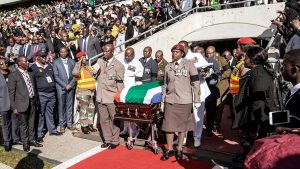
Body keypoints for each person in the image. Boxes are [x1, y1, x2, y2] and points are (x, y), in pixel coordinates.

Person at [233, 47, 276, 162]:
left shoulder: (259, 75)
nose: (244, 60)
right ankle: (246, 157)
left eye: (245, 58)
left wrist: (254, 125)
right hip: (253, 115)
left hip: (257, 118)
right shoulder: (257, 72)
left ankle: (250, 161)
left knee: (253, 143)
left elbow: (258, 102)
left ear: (252, 60)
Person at [161, 44, 201, 161]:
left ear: (182, 53)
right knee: (169, 126)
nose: (174, 54)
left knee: (182, 127)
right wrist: (163, 99)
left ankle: (179, 149)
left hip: (185, 100)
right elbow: (165, 84)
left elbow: (196, 83)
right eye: (173, 52)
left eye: (177, 52)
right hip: (170, 100)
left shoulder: (189, 64)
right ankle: (169, 149)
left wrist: (196, 99)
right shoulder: (168, 66)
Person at [92, 44, 125, 149]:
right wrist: (93, 70)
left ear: (112, 52)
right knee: (103, 120)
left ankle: (115, 141)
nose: (104, 53)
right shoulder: (100, 61)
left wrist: (120, 98)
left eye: (107, 51)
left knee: (115, 119)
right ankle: (107, 139)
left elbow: (120, 84)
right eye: (104, 51)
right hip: (101, 96)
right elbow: (93, 72)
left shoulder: (118, 65)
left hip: (112, 97)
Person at [8, 56, 42, 152]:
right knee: (23, 124)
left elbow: (34, 87)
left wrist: (36, 101)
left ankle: (32, 139)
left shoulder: (30, 73)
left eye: (27, 61)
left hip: (32, 101)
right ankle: (25, 142)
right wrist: (14, 107)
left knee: (32, 122)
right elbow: (11, 93)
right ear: (19, 63)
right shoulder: (13, 75)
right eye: (25, 61)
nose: (28, 63)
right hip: (21, 104)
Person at [31, 51, 61, 142]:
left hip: (51, 93)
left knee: (50, 112)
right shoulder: (33, 68)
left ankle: (52, 130)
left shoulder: (49, 66)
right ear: (37, 58)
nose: (44, 58)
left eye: (45, 56)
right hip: (41, 94)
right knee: (41, 114)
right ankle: (39, 134)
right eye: (42, 56)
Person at [119, 47, 144, 136]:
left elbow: (139, 79)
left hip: (132, 89)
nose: (127, 57)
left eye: (129, 55)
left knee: (132, 111)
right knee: (124, 110)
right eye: (125, 55)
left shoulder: (137, 64)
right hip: (123, 89)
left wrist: (137, 92)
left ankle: (133, 130)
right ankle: (125, 128)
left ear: (133, 55)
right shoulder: (122, 61)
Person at [72, 51, 97, 134]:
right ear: (79, 59)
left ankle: (90, 124)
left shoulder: (88, 67)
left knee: (91, 109)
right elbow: (75, 73)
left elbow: (95, 73)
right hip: (83, 91)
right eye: (83, 57)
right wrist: (79, 63)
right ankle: (84, 126)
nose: (85, 58)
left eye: (85, 57)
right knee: (84, 110)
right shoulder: (77, 68)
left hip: (91, 91)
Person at [53, 47, 76, 133]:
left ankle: (69, 123)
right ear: (59, 53)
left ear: (67, 52)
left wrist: (71, 84)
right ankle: (62, 125)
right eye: (61, 52)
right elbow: (56, 76)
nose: (63, 53)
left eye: (64, 52)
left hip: (70, 87)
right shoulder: (56, 62)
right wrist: (65, 85)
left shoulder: (72, 61)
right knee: (61, 106)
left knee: (69, 105)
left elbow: (75, 74)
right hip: (61, 87)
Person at [0, 57, 21, 151]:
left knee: (15, 122)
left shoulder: (12, 74)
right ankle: (7, 142)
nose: (4, 65)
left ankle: (15, 139)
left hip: (14, 103)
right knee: (6, 124)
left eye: (5, 63)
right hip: (3, 103)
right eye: (1, 64)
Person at [280, 49, 300, 130]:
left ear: (294, 70)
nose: (281, 69)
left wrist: (291, 130)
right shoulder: (293, 92)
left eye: (284, 66)